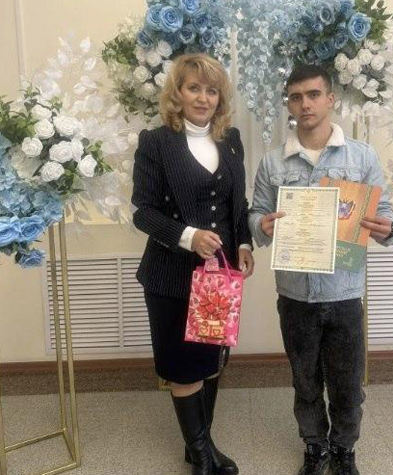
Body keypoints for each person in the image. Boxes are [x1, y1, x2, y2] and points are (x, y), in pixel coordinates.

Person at [248, 64, 393, 475]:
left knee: (348, 385)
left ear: (331, 99)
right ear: (289, 104)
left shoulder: (362, 157)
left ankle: (344, 449)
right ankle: (314, 447)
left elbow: (385, 214)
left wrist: (388, 229)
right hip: (295, 295)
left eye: (314, 95)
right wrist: (260, 225)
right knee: (305, 382)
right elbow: (256, 213)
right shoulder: (272, 163)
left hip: (344, 293)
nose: (305, 104)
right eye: (296, 97)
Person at [132, 53, 254, 475]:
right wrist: (189, 236)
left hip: (219, 277)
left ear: (220, 98)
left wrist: (244, 244)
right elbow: (143, 212)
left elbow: (238, 204)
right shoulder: (156, 142)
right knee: (184, 366)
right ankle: (202, 457)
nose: (203, 98)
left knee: (211, 360)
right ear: (178, 93)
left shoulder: (231, 139)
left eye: (211, 90)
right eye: (194, 88)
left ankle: (198, 446)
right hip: (171, 276)